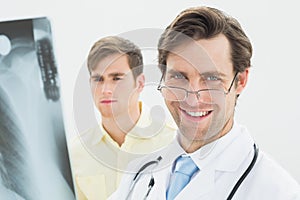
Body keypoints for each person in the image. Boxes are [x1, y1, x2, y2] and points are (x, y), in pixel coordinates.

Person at [109, 6, 300, 199]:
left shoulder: (277, 191)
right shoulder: (138, 175)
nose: (193, 99)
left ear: (240, 81)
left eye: (211, 79)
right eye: (178, 76)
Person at [69, 36, 176, 200]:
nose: (105, 89)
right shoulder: (75, 154)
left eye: (116, 78)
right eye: (98, 79)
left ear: (140, 83)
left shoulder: (173, 143)